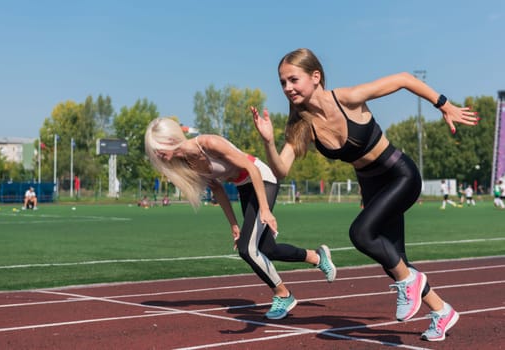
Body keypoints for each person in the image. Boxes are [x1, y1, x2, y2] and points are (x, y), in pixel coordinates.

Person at [251, 48, 478, 341]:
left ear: (315, 76)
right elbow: (280, 169)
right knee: (394, 260)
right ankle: (441, 311)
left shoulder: (347, 98)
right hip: (371, 186)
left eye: (293, 79)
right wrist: (268, 142)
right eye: (282, 82)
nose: (287, 88)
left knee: (361, 233)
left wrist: (443, 104)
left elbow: (404, 79)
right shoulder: (302, 125)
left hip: (400, 175)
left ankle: (411, 282)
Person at [145, 117, 336, 320]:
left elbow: (251, 168)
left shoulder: (208, 143)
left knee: (247, 249)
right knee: (268, 249)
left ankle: (284, 294)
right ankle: (317, 257)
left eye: (157, 149)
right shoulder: (187, 162)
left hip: (262, 178)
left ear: (169, 139)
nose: (156, 155)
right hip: (244, 186)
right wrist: (233, 225)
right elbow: (218, 190)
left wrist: (265, 209)